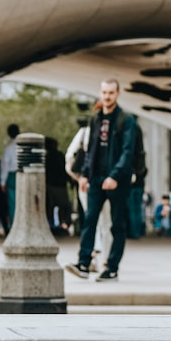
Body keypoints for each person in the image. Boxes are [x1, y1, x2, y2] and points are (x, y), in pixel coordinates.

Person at [65, 79, 137, 283]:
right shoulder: (95, 118)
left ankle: (112, 267)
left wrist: (115, 176)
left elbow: (127, 152)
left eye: (111, 93)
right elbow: (91, 150)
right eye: (104, 92)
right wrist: (85, 175)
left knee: (117, 225)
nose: (107, 96)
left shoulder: (126, 120)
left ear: (118, 94)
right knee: (90, 221)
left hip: (117, 180)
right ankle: (83, 263)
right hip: (96, 178)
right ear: (100, 93)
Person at [66, 113, 111, 270]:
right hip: (107, 181)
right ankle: (105, 259)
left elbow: (70, 156)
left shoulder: (85, 132)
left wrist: (77, 177)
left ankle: (93, 256)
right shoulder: (112, 131)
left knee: (91, 219)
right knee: (106, 222)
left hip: (88, 182)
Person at [0, 123, 19, 232]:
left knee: (12, 202)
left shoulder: (9, 148)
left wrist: (2, 181)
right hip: (23, 174)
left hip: (11, 175)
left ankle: (14, 226)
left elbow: (5, 165)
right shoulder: (22, 145)